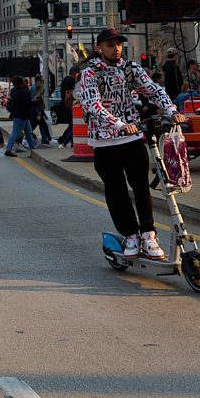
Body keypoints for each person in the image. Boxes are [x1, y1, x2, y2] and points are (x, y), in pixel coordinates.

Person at [77, 29, 185, 261]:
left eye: (118, 44)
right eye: (109, 44)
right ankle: (130, 235)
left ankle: (148, 234)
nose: (115, 48)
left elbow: (153, 89)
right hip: (105, 141)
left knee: (141, 187)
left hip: (133, 138)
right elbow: (91, 104)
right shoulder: (89, 73)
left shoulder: (130, 69)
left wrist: (171, 110)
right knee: (116, 191)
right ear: (99, 48)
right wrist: (118, 124)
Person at [3, 76, 36, 157]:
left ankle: (33, 146)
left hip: (17, 114)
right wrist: (35, 102)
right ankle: (8, 149)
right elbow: (26, 104)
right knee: (16, 132)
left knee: (28, 132)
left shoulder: (14, 90)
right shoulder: (24, 91)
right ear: (21, 83)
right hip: (22, 115)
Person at [32, 74, 55, 146]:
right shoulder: (37, 89)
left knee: (43, 125)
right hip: (36, 111)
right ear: (38, 80)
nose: (43, 82)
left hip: (37, 111)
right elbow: (37, 103)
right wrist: (38, 114)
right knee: (35, 126)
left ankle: (46, 139)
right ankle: (45, 140)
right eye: (42, 81)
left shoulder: (34, 87)